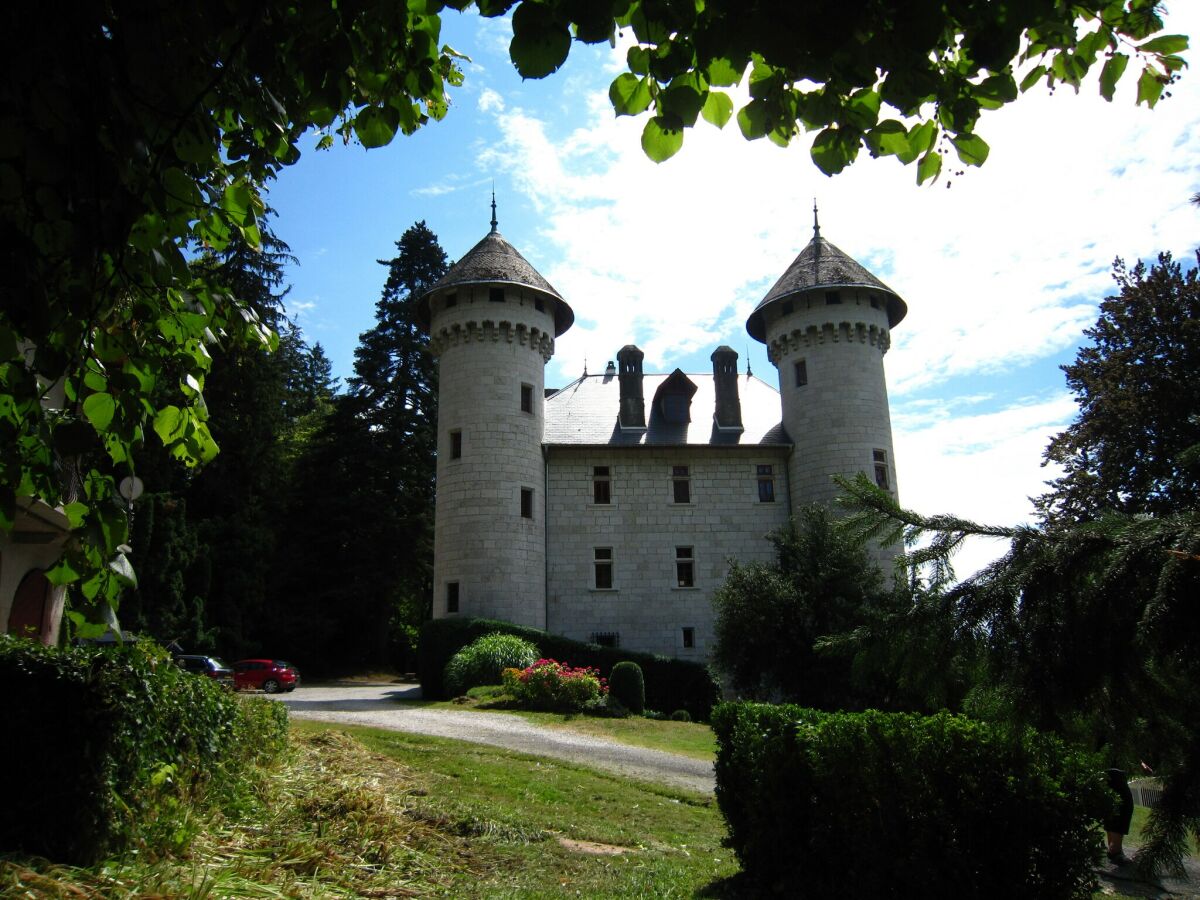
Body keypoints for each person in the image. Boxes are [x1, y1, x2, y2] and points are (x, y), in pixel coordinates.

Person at [1105, 768, 1135, 865]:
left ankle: (1113, 847)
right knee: (1123, 804)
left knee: (1113, 804)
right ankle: (1115, 849)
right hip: (1114, 773)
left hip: (1108, 771)